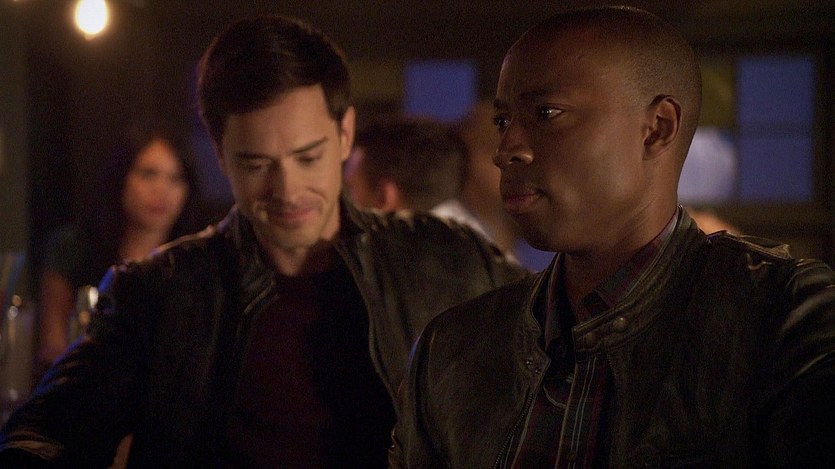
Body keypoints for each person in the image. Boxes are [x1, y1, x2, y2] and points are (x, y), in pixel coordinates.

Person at [0, 15, 526, 467]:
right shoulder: (161, 292)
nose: (287, 190)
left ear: (345, 133)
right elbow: (45, 431)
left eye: (308, 157)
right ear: (219, 154)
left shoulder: (445, 260)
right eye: (256, 164)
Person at [390, 5, 835, 467]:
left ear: (656, 129)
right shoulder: (455, 349)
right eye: (503, 122)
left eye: (546, 113)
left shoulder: (783, 320)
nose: (507, 150)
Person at [36, 125, 199, 370]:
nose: (162, 190)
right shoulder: (74, 248)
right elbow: (53, 348)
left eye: (176, 178)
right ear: (121, 177)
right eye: (148, 174)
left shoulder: (196, 262)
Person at [344, 116, 488, 237]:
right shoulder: (477, 246)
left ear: (384, 197)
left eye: (350, 190)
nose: (342, 205)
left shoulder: (399, 258)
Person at [455, 100, 553, 272]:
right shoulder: (453, 237)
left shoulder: (505, 232)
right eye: (495, 151)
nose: (518, 167)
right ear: (467, 158)